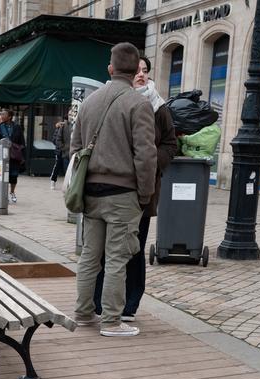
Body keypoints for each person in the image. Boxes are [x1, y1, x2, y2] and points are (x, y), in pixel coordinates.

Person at [69, 42, 156, 338]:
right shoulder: (139, 104)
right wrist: (145, 195)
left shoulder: (90, 102)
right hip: (122, 195)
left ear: (110, 69)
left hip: (91, 192)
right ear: (135, 72)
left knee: (90, 256)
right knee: (117, 259)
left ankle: (82, 313)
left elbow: (76, 148)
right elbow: (146, 156)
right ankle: (111, 321)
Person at [93, 54, 178, 324]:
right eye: (137, 70)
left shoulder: (158, 106)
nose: (141, 75)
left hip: (143, 188)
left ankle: (129, 304)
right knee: (105, 250)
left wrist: (151, 163)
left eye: (145, 71)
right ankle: (101, 302)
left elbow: (170, 145)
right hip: (115, 188)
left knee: (134, 248)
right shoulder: (117, 100)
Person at [0, 109, 26, 204]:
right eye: (1, 114)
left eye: (3, 114)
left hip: (14, 156)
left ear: (9, 116)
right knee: (4, 176)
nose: (1, 115)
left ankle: (12, 192)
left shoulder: (17, 127)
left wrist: (21, 152)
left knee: (13, 176)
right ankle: (4, 194)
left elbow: (22, 142)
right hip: (3, 156)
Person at [50, 118, 69, 190]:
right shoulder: (59, 128)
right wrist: (61, 146)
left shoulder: (71, 128)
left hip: (67, 151)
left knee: (67, 168)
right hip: (60, 151)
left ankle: (67, 184)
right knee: (57, 166)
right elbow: (54, 140)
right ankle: (53, 181)